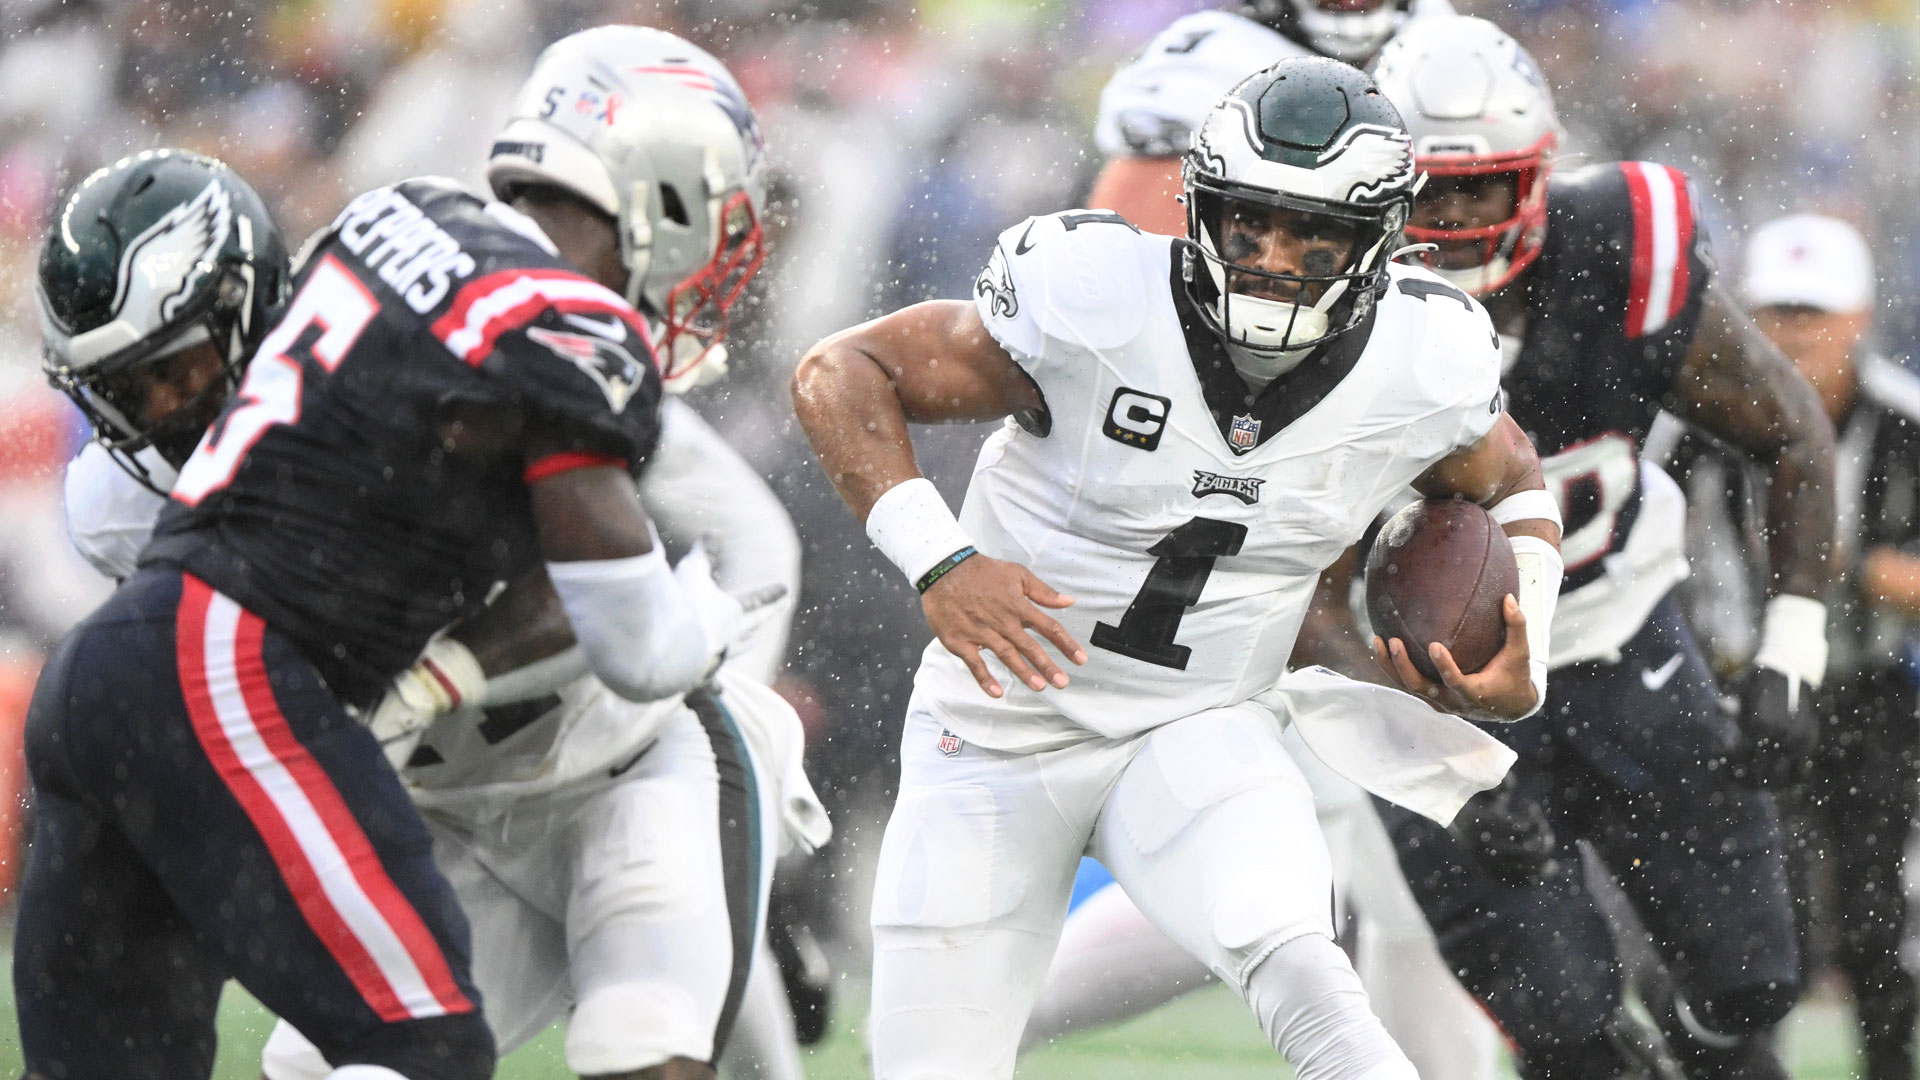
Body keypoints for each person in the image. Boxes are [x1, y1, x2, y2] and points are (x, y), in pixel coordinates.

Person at [52, 30, 826, 1080]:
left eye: (181, 369)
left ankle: (749, 942)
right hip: (450, 801)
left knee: (643, 1042)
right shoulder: (126, 502)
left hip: (624, 752)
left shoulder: (437, 299)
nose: (165, 410)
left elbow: (718, 559)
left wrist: (445, 678)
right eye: (132, 388)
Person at [793, 57, 1565, 1080]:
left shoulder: (1419, 360)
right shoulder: (1096, 300)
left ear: (1376, 243)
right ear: (1200, 206)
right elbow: (841, 372)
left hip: (1195, 728)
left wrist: (1532, 637)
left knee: (1311, 984)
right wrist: (941, 561)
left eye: (1314, 233)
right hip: (993, 734)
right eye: (1249, 222)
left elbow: (1513, 475)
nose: (1273, 257)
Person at [1356, 17, 1839, 1080]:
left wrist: (1791, 652)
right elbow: (1297, 574)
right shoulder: (1334, 307)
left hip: (1622, 637)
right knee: (1568, 1028)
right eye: (1423, 189)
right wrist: (1454, 771)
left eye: (1474, 188)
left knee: (1748, 986)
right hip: (1426, 692)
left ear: (1533, 177)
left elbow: (1791, 432)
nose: (1445, 218)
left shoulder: (1616, 252)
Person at [1740, 214, 1920, 1080]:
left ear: (1857, 318)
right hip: (1746, 687)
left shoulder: (1907, 422)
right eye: (1779, 312)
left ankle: (1887, 1065)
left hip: (1877, 691)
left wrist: (1872, 575)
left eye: (1814, 313)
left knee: (1875, 912)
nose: (1796, 332)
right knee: (1757, 914)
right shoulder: (1710, 420)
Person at [1090, 0, 1453, 235]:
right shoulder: (1204, 58)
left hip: (1393, 284)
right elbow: (1129, 246)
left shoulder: (1444, 37)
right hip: (1257, 281)